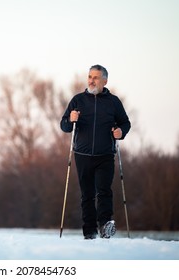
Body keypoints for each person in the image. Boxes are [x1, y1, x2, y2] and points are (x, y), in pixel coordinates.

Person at [60, 64, 131, 239]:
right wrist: (71, 119)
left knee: (104, 191)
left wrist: (121, 132)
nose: (91, 81)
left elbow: (125, 123)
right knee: (87, 195)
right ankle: (89, 232)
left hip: (105, 155)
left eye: (96, 78)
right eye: (90, 77)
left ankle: (105, 226)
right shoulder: (78, 100)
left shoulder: (113, 102)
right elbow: (64, 125)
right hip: (82, 155)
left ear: (104, 81)